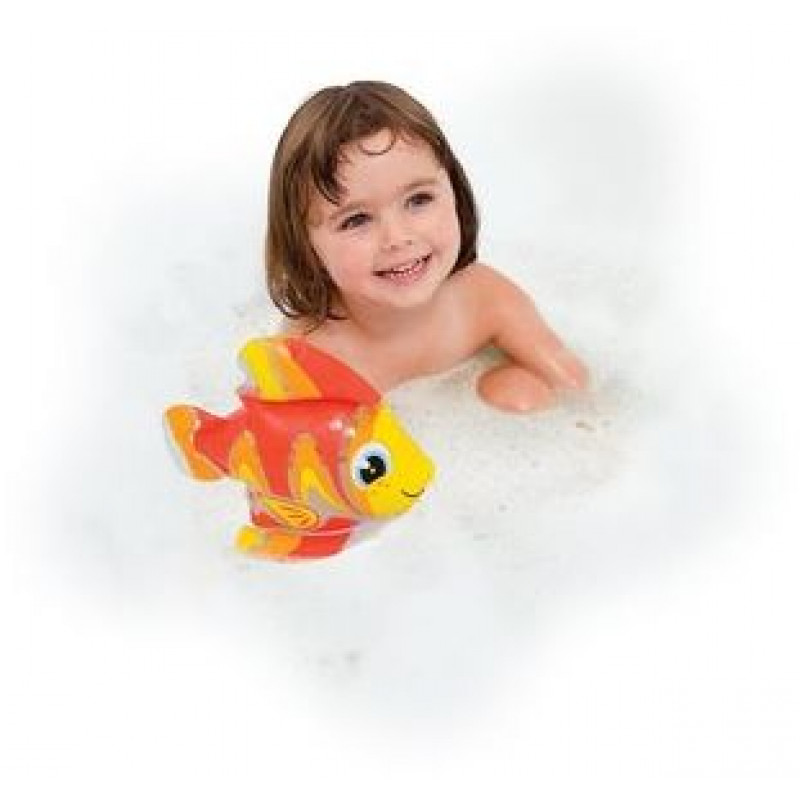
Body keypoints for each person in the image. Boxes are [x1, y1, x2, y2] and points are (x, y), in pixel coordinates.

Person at [266, 80, 588, 413]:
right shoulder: (306, 361)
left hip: (471, 429)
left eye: (419, 200)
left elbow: (574, 383)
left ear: (455, 193)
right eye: (357, 220)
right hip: (375, 439)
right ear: (305, 246)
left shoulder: (483, 299)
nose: (397, 237)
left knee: (520, 391)